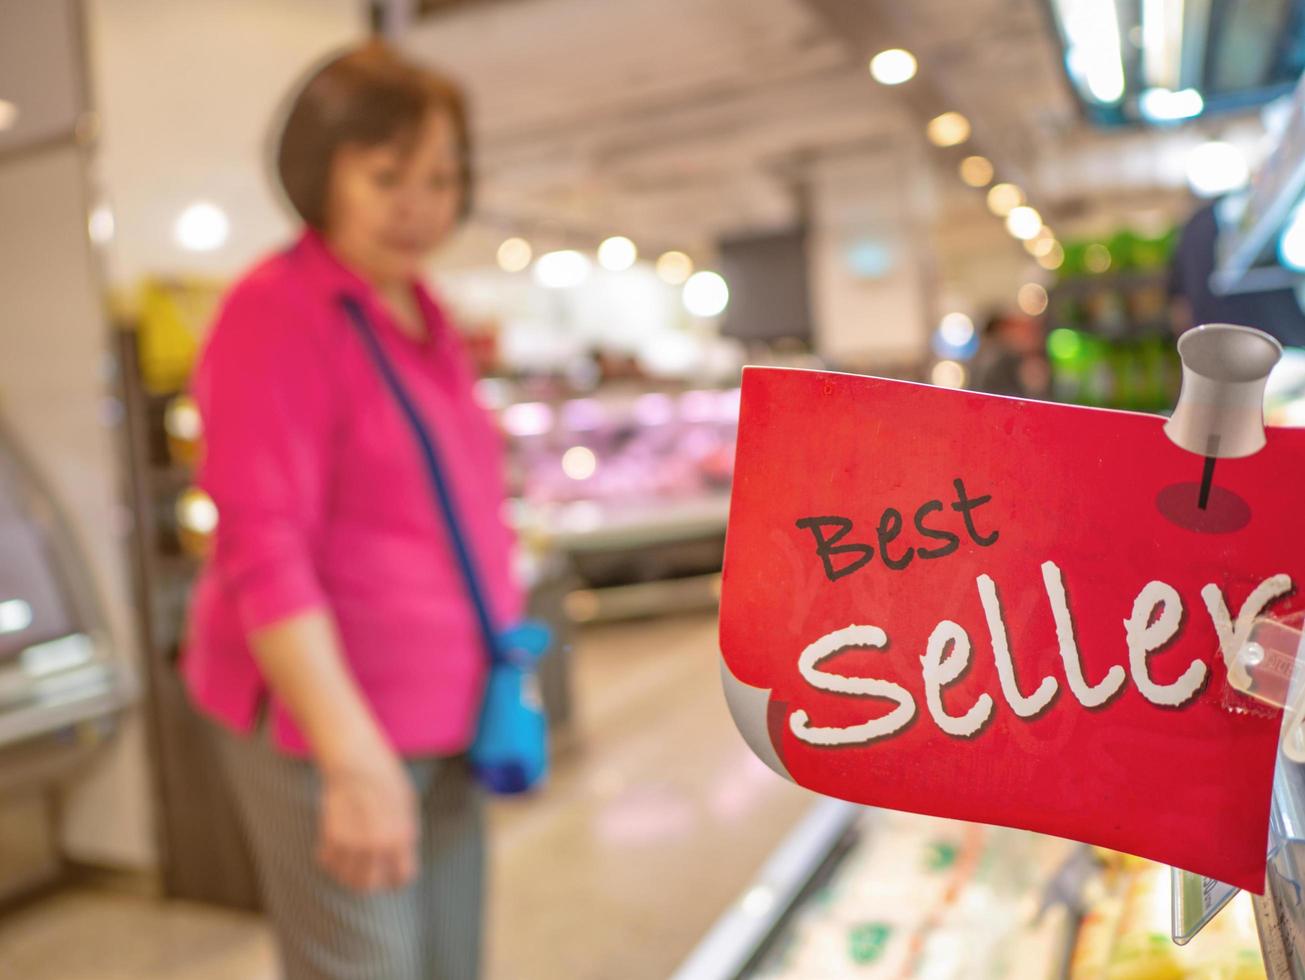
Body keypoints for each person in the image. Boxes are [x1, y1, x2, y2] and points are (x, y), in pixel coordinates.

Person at [180, 41, 521, 980]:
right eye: (387, 176)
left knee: (453, 960)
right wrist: (351, 757)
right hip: (332, 723)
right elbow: (263, 545)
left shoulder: (423, 311)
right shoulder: (275, 312)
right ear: (319, 170)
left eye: (443, 178)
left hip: (451, 710)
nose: (420, 205)